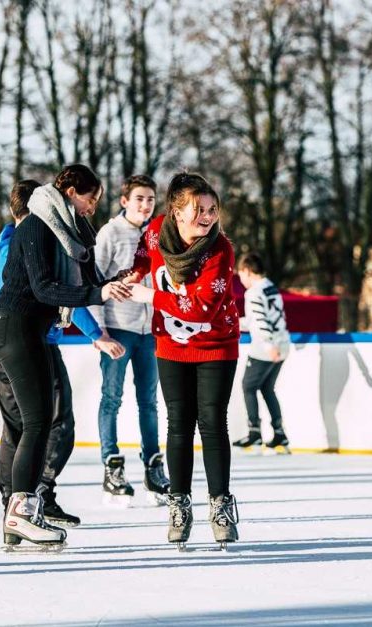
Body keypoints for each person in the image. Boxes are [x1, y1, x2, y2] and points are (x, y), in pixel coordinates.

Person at [0, 164, 131, 550]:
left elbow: (86, 282)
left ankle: (20, 514)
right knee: (36, 422)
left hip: (31, 330)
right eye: (89, 199)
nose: (91, 208)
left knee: (43, 421)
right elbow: (45, 288)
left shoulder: (66, 231)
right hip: (13, 327)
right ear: (69, 191)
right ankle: (19, 511)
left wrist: (113, 284)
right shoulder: (37, 225)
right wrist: (98, 296)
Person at [126, 172, 240, 548]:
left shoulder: (220, 249)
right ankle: (179, 503)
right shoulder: (157, 230)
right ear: (176, 211)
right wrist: (136, 274)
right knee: (178, 424)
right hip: (171, 345)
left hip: (216, 344)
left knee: (211, 422)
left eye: (211, 210)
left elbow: (201, 308)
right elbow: (145, 254)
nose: (206, 216)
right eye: (198, 209)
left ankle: (221, 505)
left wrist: (149, 297)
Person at [91, 174, 169, 505]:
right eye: (139, 198)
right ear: (125, 201)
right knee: (111, 398)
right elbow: (92, 282)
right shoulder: (110, 233)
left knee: (149, 401)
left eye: (150, 199)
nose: (145, 205)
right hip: (117, 328)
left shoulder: (158, 235)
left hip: (149, 330)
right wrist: (99, 332)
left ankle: (152, 466)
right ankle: (111, 465)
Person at [232, 252, 291, 454]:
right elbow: (259, 319)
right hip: (283, 344)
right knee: (267, 388)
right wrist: (234, 323)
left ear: (247, 271)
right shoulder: (271, 287)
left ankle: (254, 433)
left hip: (265, 349)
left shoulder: (254, 293)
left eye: (241, 275)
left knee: (248, 386)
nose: (241, 281)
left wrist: (268, 346)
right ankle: (279, 434)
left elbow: (260, 322)